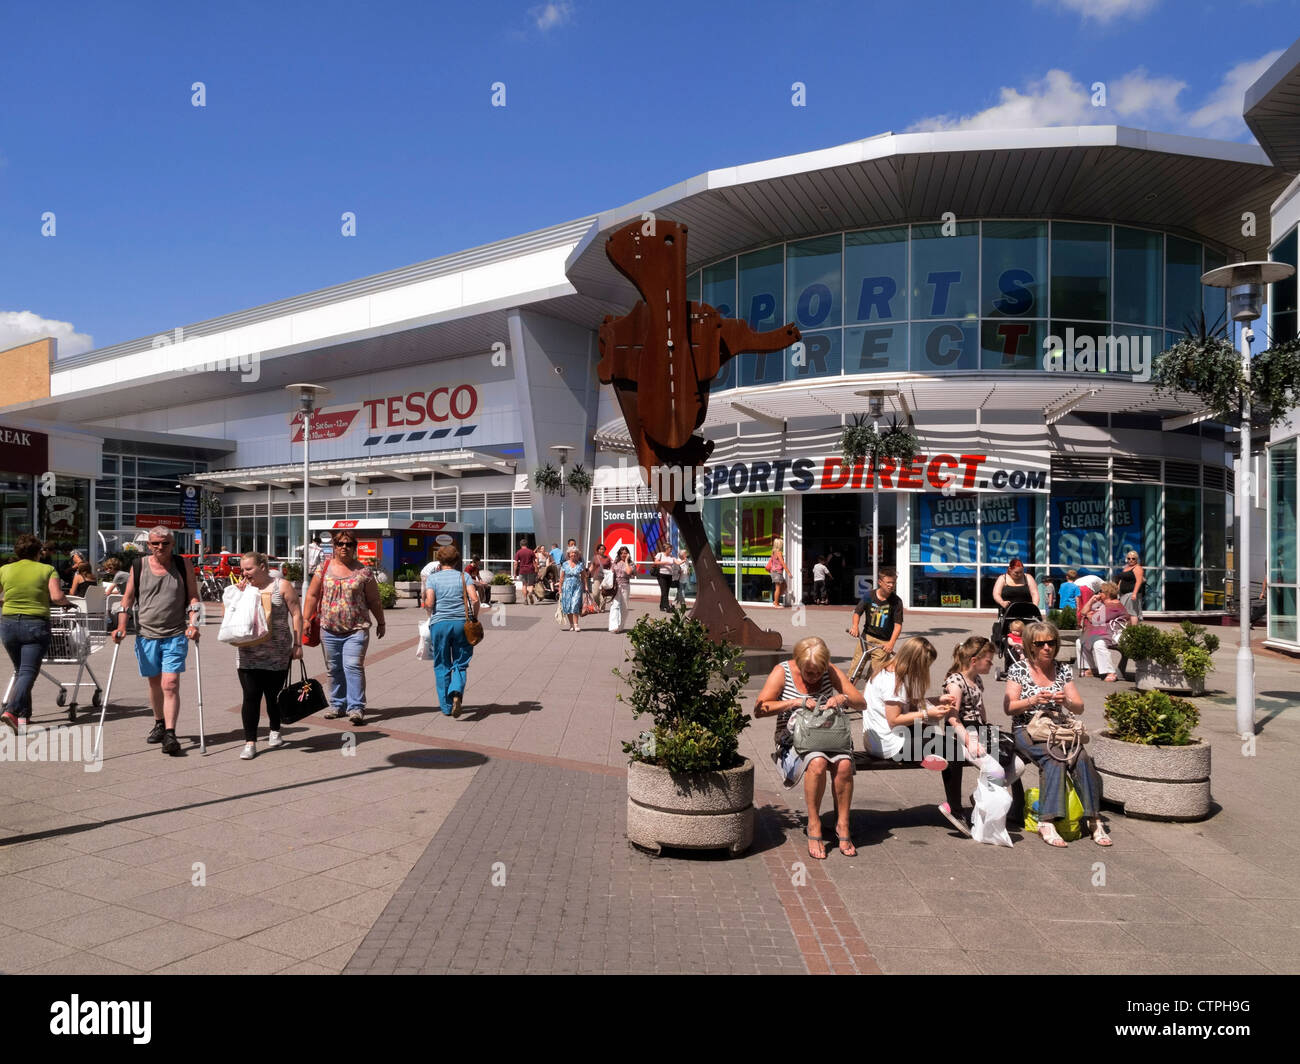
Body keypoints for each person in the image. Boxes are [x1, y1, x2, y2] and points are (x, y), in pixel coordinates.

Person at [754, 636, 866, 859]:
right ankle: (814, 823)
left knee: (844, 764)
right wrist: (794, 702)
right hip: (793, 739)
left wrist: (842, 698)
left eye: (818, 672)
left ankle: (843, 824)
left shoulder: (829, 671)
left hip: (829, 736)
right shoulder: (782, 672)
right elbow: (759, 709)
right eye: (809, 673)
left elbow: (861, 702)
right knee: (817, 761)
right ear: (798, 663)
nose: (815, 677)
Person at [1004, 620, 1112, 848]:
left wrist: (1066, 702)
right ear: (1030, 646)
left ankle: (1093, 818)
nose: (1047, 647)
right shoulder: (1019, 669)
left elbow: (1079, 707)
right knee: (1054, 757)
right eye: (1040, 644)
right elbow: (1009, 707)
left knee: (1081, 757)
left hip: (1056, 729)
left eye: (1051, 643)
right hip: (1026, 728)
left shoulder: (1062, 669)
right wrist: (1032, 700)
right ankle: (1047, 821)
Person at [112, 526, 202, 756]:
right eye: (155, 543)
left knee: (170, 683)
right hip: (146, 635)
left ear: (173, 544)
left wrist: (194, 624)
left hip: (175, 634)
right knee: (154, 684)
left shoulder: (183, 564)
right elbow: (127, 598)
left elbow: (193, 596)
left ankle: (170, 734)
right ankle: (159, 722)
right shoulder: (139, 565)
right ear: (149, 545)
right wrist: (121, 626)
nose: (160, 547)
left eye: (165, 543)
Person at [938, 636, 1024, 835]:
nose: (992, 664)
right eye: (989, 660)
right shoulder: (955, 682)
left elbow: (980, 709)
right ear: (974, 660)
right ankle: (967, 807)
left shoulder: (976, 679)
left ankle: (979, 796)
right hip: (961, 735)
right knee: (995, 770)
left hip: (980, 730)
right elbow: (952, 718)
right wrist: (970, 742)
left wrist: (989, 731)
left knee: (1018, 765)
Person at [302, 532, 386, 726]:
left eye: (348, 544)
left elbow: (374, 600)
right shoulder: (323, 568)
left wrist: (381, 622)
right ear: (334, 546)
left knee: (353, 666)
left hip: (356, 629)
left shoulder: (364, 572)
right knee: (334, 668)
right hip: (328, 629)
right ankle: (337, 705)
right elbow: (312, 595)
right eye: (340, 543)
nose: (344, 547)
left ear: (354, 547)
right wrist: (306, 620)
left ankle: (356, 708)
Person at [233, 551, 302, 759]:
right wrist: (237, 595)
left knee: (273, 696)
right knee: (250, 697)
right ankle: (250, 743)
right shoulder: (242, 588)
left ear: (262, 567)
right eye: (243, 569)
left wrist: (298, 644)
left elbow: (296, 614)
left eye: (249, 569)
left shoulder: (282, 586)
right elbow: (229, 615)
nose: (244, 573)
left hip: (277, 652)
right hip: (248, 651)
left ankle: (275, 730)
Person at [0, 533, 72, 732]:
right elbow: (56, 597)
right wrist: (67, 603)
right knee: (28, 671)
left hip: (8, 624)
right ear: (39, 552)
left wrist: (8, 601)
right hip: (35, 624)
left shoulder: (5, 569)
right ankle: (11, 711)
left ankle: (24, 715)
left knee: (21, 670)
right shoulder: (47, 569)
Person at [861, 637, 954, 768]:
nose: (925, 671)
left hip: (875, 742)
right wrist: (927, 714)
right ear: (915, 663)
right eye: (925, 667)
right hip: (890, 746)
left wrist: (937, 700)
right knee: (953, 748)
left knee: (935, 735)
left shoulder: (885, 670)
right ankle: (918, 756)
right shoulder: (893, 682)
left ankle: (919, 756)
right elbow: (894, 720)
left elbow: (902, 704)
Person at [423, 544, 480, 717]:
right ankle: (456, 692)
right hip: (461, 624)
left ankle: (447, 707)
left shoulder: (433, 578)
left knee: (442, 664)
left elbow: (429, 603)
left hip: (439, 625)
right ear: (456, 560)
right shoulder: (464, 576)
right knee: (460, 662)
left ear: (439, 560)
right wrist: (474, 617)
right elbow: (475, 599)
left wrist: (427, 609)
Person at [848, 567, 903, 682]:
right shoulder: (870, 596)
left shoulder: (896, 602)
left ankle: (869, 691)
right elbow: (857, 612)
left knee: (875, 675)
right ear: (880, 582)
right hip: (866, 638)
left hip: (883, 643)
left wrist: (891, 643)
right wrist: (855, 626)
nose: (891, 585)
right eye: (888, 582)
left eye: (893, 583)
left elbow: (898, 625)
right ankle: (848, 691)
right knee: (855, 669)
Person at [1079, 582, 1131, 682]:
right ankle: (1091, 668)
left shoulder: (1115, 606)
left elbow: (1096, 619)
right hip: (1100, 634)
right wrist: (1091, 600)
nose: (1098, 594)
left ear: (1107, 593)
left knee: (1099, 643)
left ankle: (1110, 672)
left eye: (1100, 592)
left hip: (1112, 636)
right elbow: (1083, 612)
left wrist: (1090, 616)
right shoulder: (1102, 604)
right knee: (1080, 642)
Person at [607, 546, 633, 633]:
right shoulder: (615, 563)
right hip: (616, 586)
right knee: (615, 605)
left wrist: (626, 561)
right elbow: (611, 573)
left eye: (625, 553)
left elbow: (629, 572)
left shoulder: (631, 563)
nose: (623, 555)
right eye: (621, 553)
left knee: (624, 607)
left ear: (628, 554)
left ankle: (620, 626)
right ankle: (613, 626)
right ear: (619, 554)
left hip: (625, 586)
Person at [560, 545, 585, 632]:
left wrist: (585, 587)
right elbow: (562, 578)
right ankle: (571, 624)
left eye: (575, 553)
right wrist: (560, 589)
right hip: (566, 586)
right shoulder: (565, 564)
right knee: (568, 606)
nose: (573, 554)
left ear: (577, 555)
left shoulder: (580, 564)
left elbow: (583, 576)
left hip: (577, 586)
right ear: (568, 554)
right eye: (572, 553)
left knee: (575, 604)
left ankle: (576, 624)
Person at [1116, 551, 1146, 620]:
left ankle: (1134, 627)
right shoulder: (1126, 567)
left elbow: (1139, 581)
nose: (1131, 560)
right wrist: (1118, 589)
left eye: (1133, 558)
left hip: (1131, 594)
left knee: (1132, 613)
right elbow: (1122, 579)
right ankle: (1128, 626)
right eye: (1129, 558)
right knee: (1125, 612)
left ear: (1136, 559)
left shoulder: (1137, 568)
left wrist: (1134, 594)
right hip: (1123, 594)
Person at [514, 538, 538, 605]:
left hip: (522, 570)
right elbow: (535, 562)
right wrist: (537, 570)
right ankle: (530, 593)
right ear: (527, 544)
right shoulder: (531, 552)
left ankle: (525, 600)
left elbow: (515, 563)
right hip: (531, 570)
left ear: (520, 544)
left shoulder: (519, 552)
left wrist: (515, 573)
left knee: (524, 585)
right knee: (530, 584)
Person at [766, 537, 788, 607]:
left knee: (784, 585)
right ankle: (776, 603)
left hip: (775, 572)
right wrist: (788, 572)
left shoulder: (773, 552)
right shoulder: (779, 553)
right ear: (779, 545)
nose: (783, 545)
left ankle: (776, 600)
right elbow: (782, 563)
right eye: (782, 544)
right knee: (778, 588)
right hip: (777, 572)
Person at [653, 546, 675, 612]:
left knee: (666, 592)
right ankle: (667, 607)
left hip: (669, 575)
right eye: (670, 549)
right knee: (664, 591)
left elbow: (676, 562)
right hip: (661, 575)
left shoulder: (671, 556)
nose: (671, 551)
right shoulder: (660, 554)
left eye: (671, 549)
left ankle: (662, 606)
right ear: (666, 549)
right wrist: (665, 562)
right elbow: (655, 562)